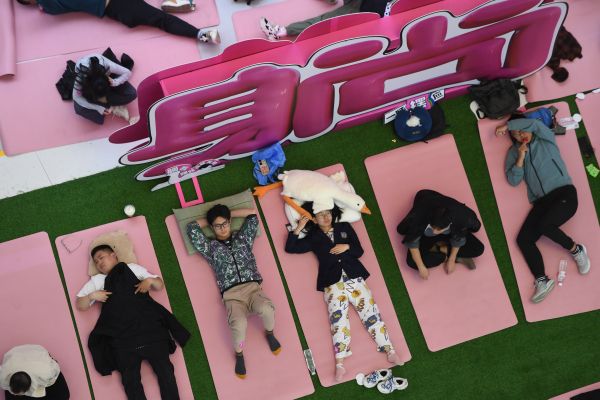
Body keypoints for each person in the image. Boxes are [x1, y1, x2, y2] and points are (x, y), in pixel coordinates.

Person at [285, 206, 402, 382]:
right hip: (332, 283)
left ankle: (389, 350)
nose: (326, 217)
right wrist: (299, 228)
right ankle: (340, 364)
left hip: (354, 276)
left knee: (371, 313)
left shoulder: (344, 227)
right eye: (320, 215)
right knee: (338, 321)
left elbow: (359, 251)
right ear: (314, 219)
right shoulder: (314, 237)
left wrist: (346, 246)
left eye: (327, 213)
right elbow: (290, 247)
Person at [496, 115, 591, 303]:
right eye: (515, 134)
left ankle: (576, 250)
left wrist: (507, 125)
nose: (520, 135)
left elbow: (535, 124)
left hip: (564, 193)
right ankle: (542, 280)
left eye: (522, 129)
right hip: (541, 202)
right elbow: (513, 180)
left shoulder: (545, 137)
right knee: (523, 239)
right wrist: (520, 158)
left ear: (529, 127)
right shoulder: (513, 152)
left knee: (544, 225)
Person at [76, 244, 190, 400]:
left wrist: (149, 280)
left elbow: (159, 285)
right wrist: (91, 296)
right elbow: (80, 305)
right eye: (96, 262)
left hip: (150, 333)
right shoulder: (97, 281)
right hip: (123, 340)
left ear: (113, 255)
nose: (99, 263)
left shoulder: (133, 268)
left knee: (166, 373)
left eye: (101, 257)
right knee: (130, 382)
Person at [186, 205, 281, 379]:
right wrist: (210, 221)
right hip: (232, 297)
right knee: (238, 324)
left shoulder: (244, 238)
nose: (222, 228)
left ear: (230, 222)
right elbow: (192, 228)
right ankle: (239, 353)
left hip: (253, 289)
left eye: (225, 224)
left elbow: (252, 215)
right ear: (211, 227)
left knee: (267, 308)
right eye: (217, 226)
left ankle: (269, 333)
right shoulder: (210, 248)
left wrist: (228, 215)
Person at [15, 0, 220, 44]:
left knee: (161, 18)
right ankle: (201, 35)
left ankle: (172, 4)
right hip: (117, 5)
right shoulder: (49, 5)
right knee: (161, 20)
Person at [396, 190, 485, 280]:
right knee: (411, 262)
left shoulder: (463, 218)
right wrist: (421, 267)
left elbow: (460, 236)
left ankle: (443, 250)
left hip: (450, 233)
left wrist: (452, 259)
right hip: (425, 236)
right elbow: (412, 242)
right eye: (433, 227)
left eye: (439, 229)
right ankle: (445, 256)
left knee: (478, 249)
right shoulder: (419, 216)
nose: (435, 231)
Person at [259, 0, 389, 41]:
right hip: (362, 6)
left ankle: (280, 31)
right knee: (323, 20)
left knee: (323, 21)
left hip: (365, 12)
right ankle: (281, 31)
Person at [72, 54, 137, 125]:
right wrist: (99, 108)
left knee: (132, 93)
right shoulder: (81, 77)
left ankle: (108, 104)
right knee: (79, 108)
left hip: (107, 77)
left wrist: (115, 82)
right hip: (89, 90)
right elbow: (76, 97)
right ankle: (106, 105)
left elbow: (127, 72)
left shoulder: (108, 65)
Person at [0, 345, 69, 400]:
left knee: (63, 395)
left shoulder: (47, 373)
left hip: (40, 355)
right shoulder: (3, 375)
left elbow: (56, 368)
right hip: (15, 354)